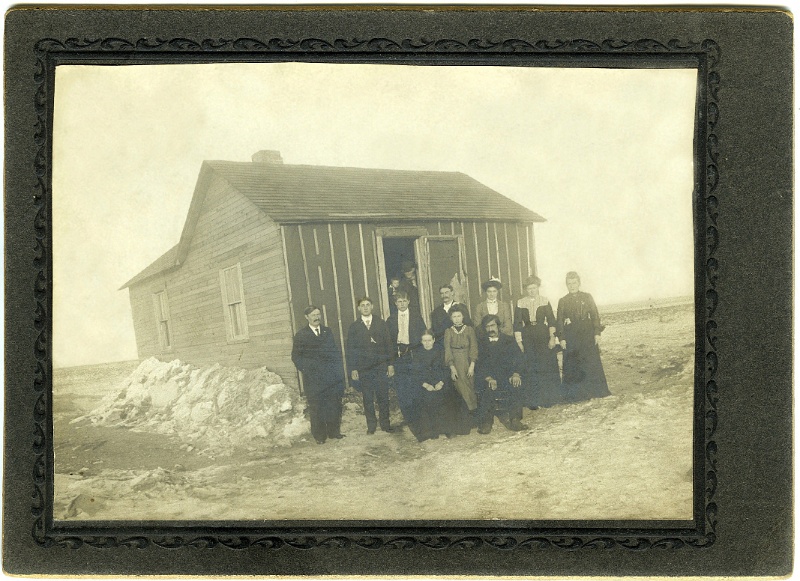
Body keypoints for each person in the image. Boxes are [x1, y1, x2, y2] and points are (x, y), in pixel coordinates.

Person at [291, 306, 346, 444]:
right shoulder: (301, 335)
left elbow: (334, 353)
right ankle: (319, 436)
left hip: (330, 377)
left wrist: (336, 373)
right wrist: (308, 369)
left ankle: (334, 432)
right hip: (313, 379)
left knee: (332, 404)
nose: (317, 317)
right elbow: (296, 357)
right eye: (313, 315)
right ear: (307, 317)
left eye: (318, 314)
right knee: (317, 407)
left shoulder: (327, 332)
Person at [556, 271, 611, 401]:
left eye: (574, 283)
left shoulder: (587, 297)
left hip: (587, 332)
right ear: (566, 285)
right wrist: (562, 338)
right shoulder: (563, 301)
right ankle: (576, 395)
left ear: (579, 283)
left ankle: (596, 391)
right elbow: (559, 320)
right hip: (572, 334)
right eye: (569, 283)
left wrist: (597, 332)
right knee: (574, 363)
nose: (572, 286)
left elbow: (595, 315)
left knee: (590, 361)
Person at [346, 297, 396, 434]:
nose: (366, 307)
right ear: (358, 309)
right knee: (367, 398)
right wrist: (353, 368)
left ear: (372, 306)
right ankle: (371, 426)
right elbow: (350, 350)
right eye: (362, 305)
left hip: (380, 367)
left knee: (383, 397)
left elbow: (388, 345)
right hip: (364, 369)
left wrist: (390, 365)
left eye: (368, 305)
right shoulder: (354, 327)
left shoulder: (380, 323)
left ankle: (385, 424)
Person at [514, 275, 563, 408]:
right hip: (528, 336)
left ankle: (549, 398)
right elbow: (517, 323)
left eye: (534, 288)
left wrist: (552, 338)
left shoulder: (545, 301)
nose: (532, 291)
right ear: (526, 289)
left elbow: (552, 320)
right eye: (529, 288)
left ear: (538, 288)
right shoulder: (520, 302)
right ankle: (533, 400)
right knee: (531, 367)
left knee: (545, 365)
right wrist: (519, 342)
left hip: (543, 335)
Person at [475, 314, 528, 434]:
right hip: (490, 377)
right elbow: (479, 364)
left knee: (516, 384)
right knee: (485, 389)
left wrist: (515, 374)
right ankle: (487, 422)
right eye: (487, 327)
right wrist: (488, 378)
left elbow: (520, 358)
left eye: (493, 325)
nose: (490, 329)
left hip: (507, 376)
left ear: (498, 326)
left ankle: (515, 419)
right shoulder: (481, 343)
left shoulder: (509, 340)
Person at [386, 291, 427, 437]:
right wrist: (390, 363)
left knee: (416, 386)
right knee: (403, 389)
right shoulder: (391, 320)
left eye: (404, 301)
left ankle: (419, 420)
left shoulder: (416, 317)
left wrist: (423, 358)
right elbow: (388, 343)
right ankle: (409, 419)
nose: (401, 304)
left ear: (408, 301)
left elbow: (424, 338)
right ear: (395, 304)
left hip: (413, 355)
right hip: (399, 356)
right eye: (399, 302)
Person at [443, 304, 478, 434]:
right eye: (454, 317)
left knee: (470, 387)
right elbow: (447, 350)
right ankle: (464, 419)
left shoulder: (469, 330)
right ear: (451, 318)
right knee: (460, 388)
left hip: (468, 362)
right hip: (455, 364)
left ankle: (474, 418)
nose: (457, 319)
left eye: (459, 316)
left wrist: (472, 365)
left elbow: (474, 348)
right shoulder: (448, 331)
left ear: (463, 316)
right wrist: (452, 368)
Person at [410, 329, 451, 442]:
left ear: (433, 340)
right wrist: (425, 385)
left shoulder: (440, 351)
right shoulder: (417, 354)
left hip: (439, 383)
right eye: (424, 341)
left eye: (429, 340)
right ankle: (432, 431)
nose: (427, 343)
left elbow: (446, 369)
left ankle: (445, 428)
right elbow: (415, 373)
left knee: (446, 397)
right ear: (421, 341)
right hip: (424, 384)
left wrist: (441, 382)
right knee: (426, 399)